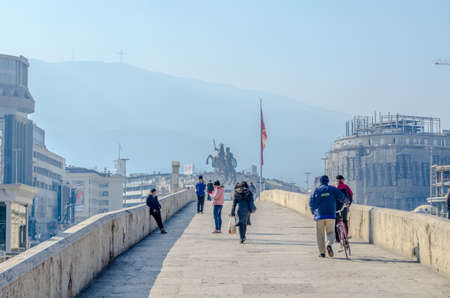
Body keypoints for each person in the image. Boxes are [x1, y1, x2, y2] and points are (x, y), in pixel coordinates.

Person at [309, 175, 347, 258]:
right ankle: (329, 244)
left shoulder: (316, 190)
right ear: (327, 181)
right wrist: (346, 201)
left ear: (320, 182)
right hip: (330, 214)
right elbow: (341, 196)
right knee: (331, 232)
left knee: (320, 234)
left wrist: (312, 210)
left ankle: (322, 253)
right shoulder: (332, 189)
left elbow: (311, 201)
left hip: (319, 215)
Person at [335, 175, 353, 241]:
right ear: (342, 180)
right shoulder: (345, 187)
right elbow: (351, 195)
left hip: (335, 207)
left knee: (336, 221)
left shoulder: (334, 187)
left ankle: (337, 238)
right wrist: (349, 204)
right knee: (344, 221)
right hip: (344, 206)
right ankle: (345, 236)